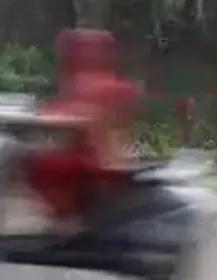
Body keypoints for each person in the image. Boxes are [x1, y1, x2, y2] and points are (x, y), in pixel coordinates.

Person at [25, 28, 142, 236]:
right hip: (76, 149)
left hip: (100, 155)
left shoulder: (109, 88)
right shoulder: (75, 85)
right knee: (28, 156)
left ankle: (76, 220)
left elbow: (107, 129)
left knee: (52, 164)